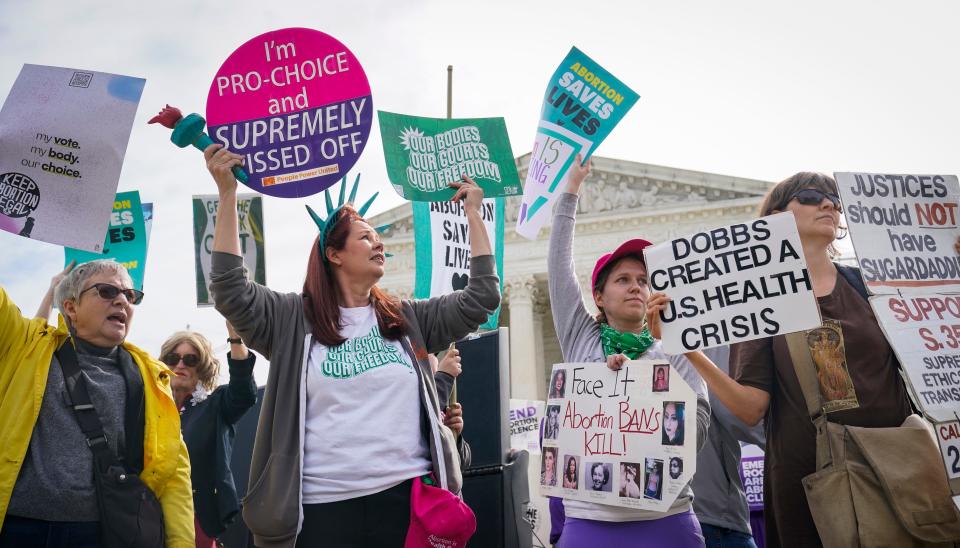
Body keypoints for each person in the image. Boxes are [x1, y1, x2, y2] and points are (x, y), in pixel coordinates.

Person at [203, 144, 499, 548]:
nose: (379, 243)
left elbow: (481, 297)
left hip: (406, 506)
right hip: (322, 512)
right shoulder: (290, 320)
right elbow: (229, 289)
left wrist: (474, 216)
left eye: (378, 237)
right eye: (365, 237)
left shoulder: (407, 318)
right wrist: (227, 194)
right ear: (333, 254)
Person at [646, 172, 927, 546]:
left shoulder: (871, 285)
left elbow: (930, 353)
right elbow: (749, 409)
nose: (828, 204)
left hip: (895, 473)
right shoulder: (759, 302)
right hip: (811, 487)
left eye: (834, 198)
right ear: (776, 216)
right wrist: (686, 348)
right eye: (811, 196)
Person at [547, 155, 710, 547]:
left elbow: (700, 422)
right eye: (623, 279)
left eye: (643, 279)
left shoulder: (673, 347)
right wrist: (570, 193)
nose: (636, 286)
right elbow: (558, 270)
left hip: (667, 519)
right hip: (591, 522)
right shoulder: (582, 339)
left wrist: (641, 384)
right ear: (599, 297)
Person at [0, 260, 194, 547]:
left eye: (131, 296)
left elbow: (174, 477)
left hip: (101, 534)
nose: (122, 300)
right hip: (18, 529)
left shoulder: (153, 379)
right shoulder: (25, 345)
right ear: (70, 308)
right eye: (106, 291)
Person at [160, 323, 258, 548]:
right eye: (173, 358)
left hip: (196, 518)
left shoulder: (214, 405)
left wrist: (236, 340)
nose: (180, 365)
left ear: (202, 369)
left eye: (190, 360)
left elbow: (243, 393)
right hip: (152, 515)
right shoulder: (151, 409)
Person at [690, 346, 765, 548]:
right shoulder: (702, 338)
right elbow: (748, 419)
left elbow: (747, 415)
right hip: (712, 517)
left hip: (710, 517)